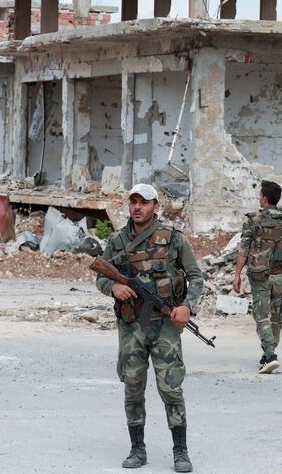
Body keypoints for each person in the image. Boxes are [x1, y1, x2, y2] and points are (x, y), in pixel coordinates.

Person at [96, 183, 204, 472]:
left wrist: (187, 307)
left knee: (171, 388)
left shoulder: (173, 239)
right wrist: (114, 286)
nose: (137, 207)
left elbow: (196, 277)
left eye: (144, 202)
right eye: (133, 201)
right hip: (131, 326)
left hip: (165, 326)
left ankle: (180, 451)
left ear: (156, 206)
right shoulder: (117, 240)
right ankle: (137, 449)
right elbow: (100, 276)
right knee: (132, 387)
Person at [233, 180, 282, 374]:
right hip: (281, 276)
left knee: (262, 316)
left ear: (264, 198)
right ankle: (268, 353)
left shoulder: (253, 220)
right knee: (276, 316)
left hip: (260, 277)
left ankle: (270, 356)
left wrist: (237, 274)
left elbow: (244, 249)